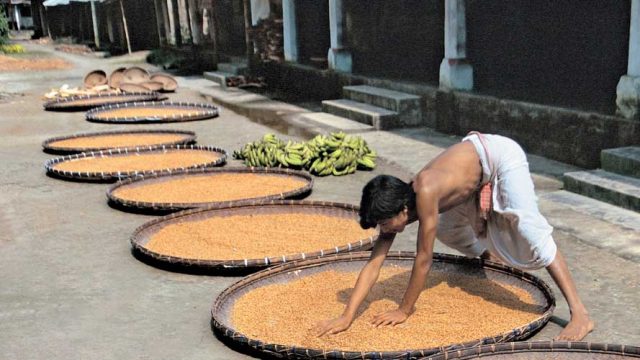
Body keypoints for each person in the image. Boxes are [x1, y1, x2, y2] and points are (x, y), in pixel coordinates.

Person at [315, 132, 594, 341]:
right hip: (469, 170)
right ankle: (490, 257)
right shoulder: (396, 209)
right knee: (449, 229)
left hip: (499, 156)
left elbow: (424, 260)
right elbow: (374, 263)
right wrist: (346, 316)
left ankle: (579, 312)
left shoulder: (425, 193)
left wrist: (404, 310)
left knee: (528, 228)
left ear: (402, 209)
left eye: (385, 223)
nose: (384, 230)